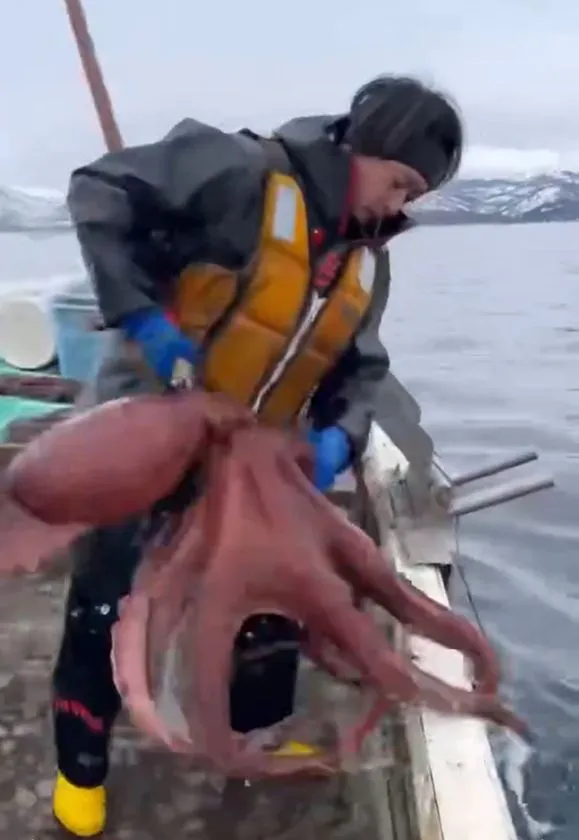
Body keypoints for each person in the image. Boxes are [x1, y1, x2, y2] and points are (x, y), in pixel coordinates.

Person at [51, 73, 463, 836]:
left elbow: (360, 367)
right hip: (145, 433)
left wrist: (340, 433)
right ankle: (80, 767)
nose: (397, 204)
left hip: (245, 465)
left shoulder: (366, 264)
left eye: (415, 195)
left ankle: (255, 733)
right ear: (364, 147)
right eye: (399, 181)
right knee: (106, 604)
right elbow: (101, 192)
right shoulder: (236, 170)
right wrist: (138, 313)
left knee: (265, 610)